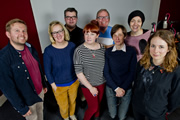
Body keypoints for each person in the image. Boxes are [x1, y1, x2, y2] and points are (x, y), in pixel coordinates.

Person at [0, 18, 47, 120]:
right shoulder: (3, 58)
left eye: (24, 31)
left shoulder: (31, 48)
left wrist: (43, 84)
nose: (22, 34)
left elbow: (38, 68)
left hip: (40, 92)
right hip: (27, 99)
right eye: (17, 30)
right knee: (33, 117)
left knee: (40, 113)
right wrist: (21, 108)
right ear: (8, 34)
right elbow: (7, 88)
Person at [132, 30, 180, 120]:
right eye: (153, 46)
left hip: (156, 114)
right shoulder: (141, 63)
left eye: (161, 47)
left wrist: (163, 110)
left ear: (169, 48)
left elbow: (175, 99)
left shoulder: (176, 71)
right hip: (138, 109)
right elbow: (136, 84)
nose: (156, 50)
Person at [43, 21, 79, 120]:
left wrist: (78, 78)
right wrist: (53, 86)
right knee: (63, 105)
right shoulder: (48, 51)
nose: (58, 35)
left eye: (60, 31)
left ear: (64, 31)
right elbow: (47, 71)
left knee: (73, 101)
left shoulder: (72, 46)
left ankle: (71, 114)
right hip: (59, 86)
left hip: (74, 82)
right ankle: (66, 117)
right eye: (55, 32)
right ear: (51, 35)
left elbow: (77, 63)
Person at [104, 24, 137, 120]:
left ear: (125, 36)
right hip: (111, 87)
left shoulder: (131, 51)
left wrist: (122, 89)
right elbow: (106, 72)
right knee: (113, 115)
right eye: (114, 35)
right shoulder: (108, 51)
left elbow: (132, 72)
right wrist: (116, 88)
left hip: (126, 87)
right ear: (112, 37)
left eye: (120, 35)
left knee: (122, 117)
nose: (117, 38)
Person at [73, 22, 106, 120]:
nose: (88, 36)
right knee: (93, 107)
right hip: (88, 85)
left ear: (97, 35)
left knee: (98, 104)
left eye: (92, 34)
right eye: (86, 33)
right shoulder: (79, 51)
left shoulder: (102, 48)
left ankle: (97, 117)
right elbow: (78, 73)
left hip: (101, 82)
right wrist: (91, 88)